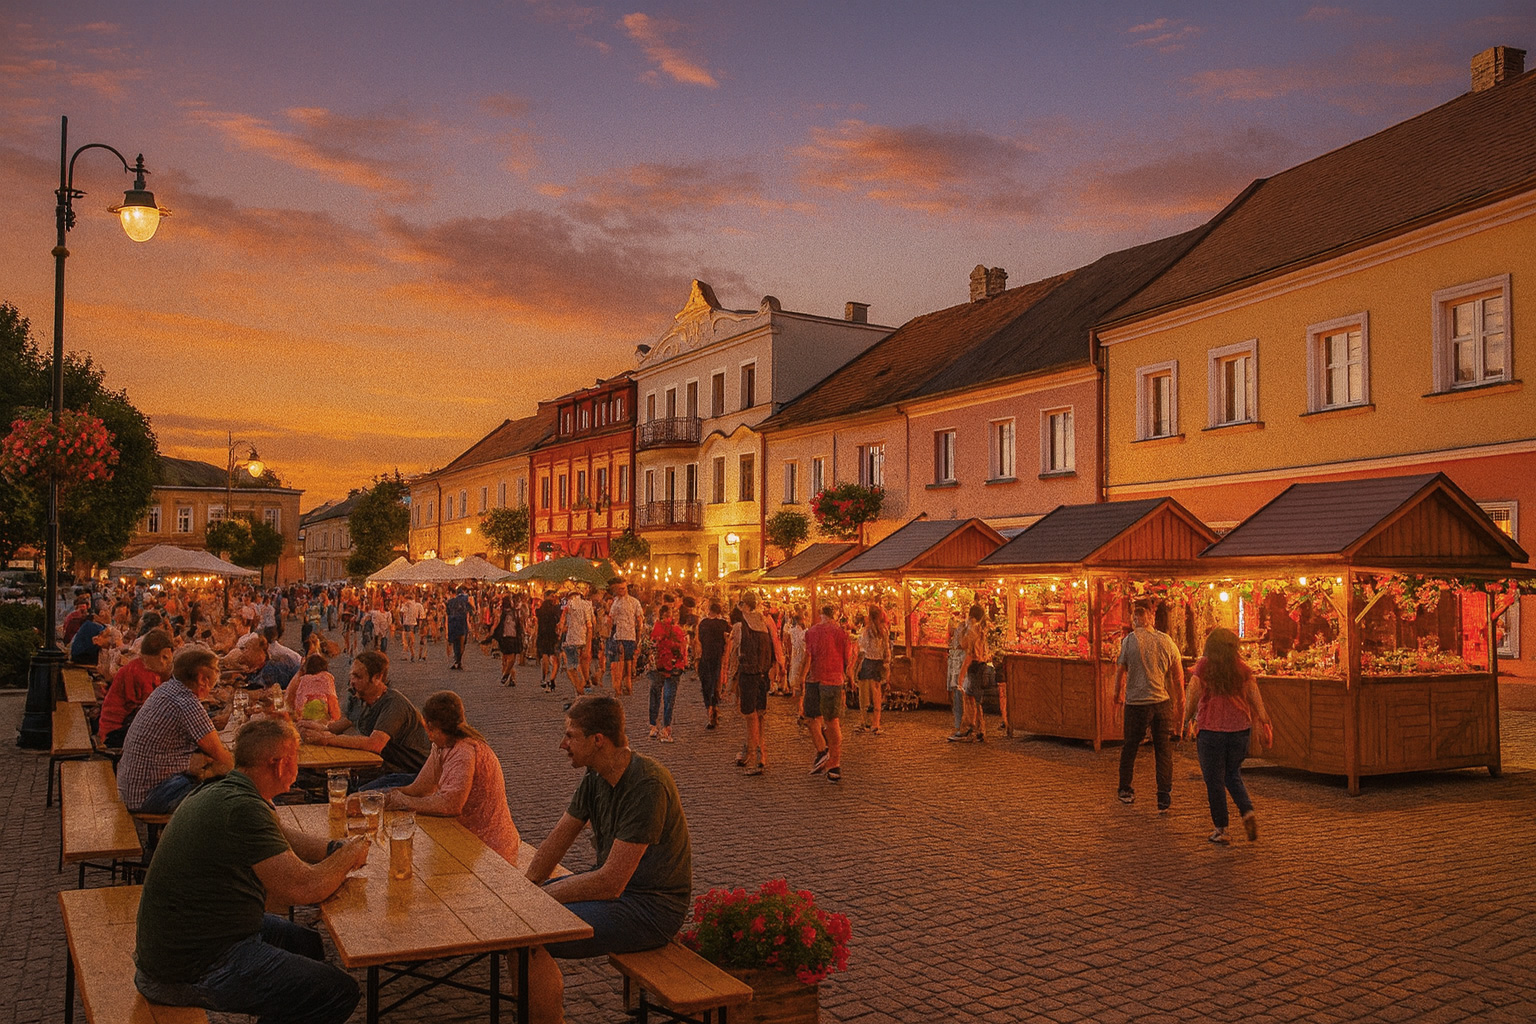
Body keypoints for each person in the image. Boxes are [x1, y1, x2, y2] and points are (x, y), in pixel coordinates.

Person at [133, 717, 370, 1024]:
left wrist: (332, 849)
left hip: (187, 942)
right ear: (280, 764)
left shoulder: (227, 789)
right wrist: (349, 855)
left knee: (307, 944)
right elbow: (305, 889)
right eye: (296, 758)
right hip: (192, 967)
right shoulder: (242, 808)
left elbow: (280, 834)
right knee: (337, 991)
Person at [524, 696, 692, 1018]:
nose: (563, 744)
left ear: (598, 740)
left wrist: (544, 896)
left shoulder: (647, 784)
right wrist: (527, 886)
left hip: (651, 908)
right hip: (619, 895)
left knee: (532, 938)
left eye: (571, 735)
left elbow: (611, 882)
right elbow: (558, 839)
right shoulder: (596, 776)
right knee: (521, 927)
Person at [374, 691, 519, 861]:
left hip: (488, 848)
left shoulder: (464, 751)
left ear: (433, 725)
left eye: (430, 730)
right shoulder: (442, 746)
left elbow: (450, 805)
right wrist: (380, 797)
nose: (428, 737)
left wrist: (403, 802)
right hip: (465, 838)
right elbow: (420, 788)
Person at [117, 645, 234, 813]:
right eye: (216, 670)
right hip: (148, 796)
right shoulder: (187, 703)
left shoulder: (167, 689)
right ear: (202, 678)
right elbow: (221, 756)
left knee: (209, 769)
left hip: (131, 787)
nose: (217, 676)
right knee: (227, 791)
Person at [1183, 627, 1272, 844]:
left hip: (1211, 731)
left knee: (1214, 779)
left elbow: (1193, 693)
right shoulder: (1242, 668)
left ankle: (1221, 829)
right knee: (1232, 773)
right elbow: (1254, 695)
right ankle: (1247, 810)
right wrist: (1264, 720)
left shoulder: (1204, 666)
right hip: (1239, 730)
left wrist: (1186, 720)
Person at [299, 650, 430, 788]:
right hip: (386, 766)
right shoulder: (362, 699)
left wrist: (325, 739)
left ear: (377, 677)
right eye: (352, 675)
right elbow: (336, 727)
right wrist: (310, 727)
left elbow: (375, 743)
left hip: (413, 773)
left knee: (355, 791)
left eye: (358, 676)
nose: (352, 681)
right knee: (332, 780)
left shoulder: (393, 703)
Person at [1114, 598, 1186, 811]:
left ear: (1138, 617)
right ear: (1151, 617)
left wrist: (1117, 694)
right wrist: (1179, 704)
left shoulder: (1129, 641)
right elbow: (1178, 677)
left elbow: (1120, 671)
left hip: (1136, 702)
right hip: (1161, 702)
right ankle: (1163, 794)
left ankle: (1125, 788)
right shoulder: (1167, 642)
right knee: (1163, 750)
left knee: (1130, 747)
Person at [726, 591, 782, 775]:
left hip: (749, 674)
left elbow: (734, 655)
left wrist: (730, 681)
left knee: (749, 715)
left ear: (744, 606)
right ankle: (761, 753)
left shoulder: (740, 627)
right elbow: (776, 647)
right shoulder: (767, 623)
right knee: (760, 714)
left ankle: (753, 753)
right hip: (763, 674)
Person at [798, 604, 853, 783]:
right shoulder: (841, 634)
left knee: (811, 717)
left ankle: (823, 751)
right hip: (834, 679)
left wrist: (801, 677)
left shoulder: (812, 632)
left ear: (820, 615)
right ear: (835, 616)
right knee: (832, 721)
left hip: (815, 678)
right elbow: (847, 659)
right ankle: (833, 763)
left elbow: (809, 656)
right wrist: (849, 677)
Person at [97, 628, 174, 747]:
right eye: (164, 657)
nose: (166, 663)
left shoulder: (143, 668)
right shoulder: (139, 673)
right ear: (153, 656)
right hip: (114, 731)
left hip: (120, 725)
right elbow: (150, 710)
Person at [647, 604, 687, 742]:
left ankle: (653, 725)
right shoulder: (677, 629)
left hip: (659, 666)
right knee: (669, 697)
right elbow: (682, 647)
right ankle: (666, 727)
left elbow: (651, 645)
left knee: (656, 694)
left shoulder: (656, 628)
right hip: (674, 665)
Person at [953, 604, 991, 743]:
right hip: (982, 666)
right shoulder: (981, 630)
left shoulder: (972, 631)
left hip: (974, 666)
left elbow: (967, 650)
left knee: (970, 698)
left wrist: (961, 675)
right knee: (976, 699)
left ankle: (971, 728)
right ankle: (981, 729)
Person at [854, 603, 890, 734]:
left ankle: (865, 721)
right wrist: (886, 663)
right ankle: (876, 722)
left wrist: (856, 665)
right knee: (876, 693)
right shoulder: (884, 631)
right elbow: (887, 649)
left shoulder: (866, 632)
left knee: (864, 694)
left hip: (868, 662)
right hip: (878, 663)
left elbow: (862, 650)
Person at [696, 600, 729, 730]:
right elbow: (729, 637)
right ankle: (715, 708)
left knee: (706, 684)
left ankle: (709, 709)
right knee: (716, 683)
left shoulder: (703, 624)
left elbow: (698, 641)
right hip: (718, 657)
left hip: (705, 656)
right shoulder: (723, 624)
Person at [607, 579, 645, 696]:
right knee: (617, 662)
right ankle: (618, 687)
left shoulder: (634, 602)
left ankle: (627, 685)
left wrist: (639, 635)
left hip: (630, 635)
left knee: (628, 663)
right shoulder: (615, 602)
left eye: (623, 588)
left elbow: (639, 619)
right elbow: (611, 618)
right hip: (618, 635)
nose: (621, 591)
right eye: (619, 589)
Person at [286, 653, 341, 724]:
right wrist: (336, 719)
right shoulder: (326, 678)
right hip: (322, 718)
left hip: (305, 718)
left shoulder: (304, 679)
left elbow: (299, 701)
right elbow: (332, 699)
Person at [560, 589, 594, 695]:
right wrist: (589, 643)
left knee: (571, 667)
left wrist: (561, 628)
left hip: (572, 639)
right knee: (582, 663)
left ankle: (579, 689)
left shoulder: (569, 606)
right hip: (583, 638)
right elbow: (591, 625)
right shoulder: (587, 605)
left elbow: (562, 623)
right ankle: (586, 681)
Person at [491, 594, 524, 686]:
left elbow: (519, 623)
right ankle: (510, 677)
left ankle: (508, 675)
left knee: (510, 659)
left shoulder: (513, 612)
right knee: (507, 659)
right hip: (507, 637)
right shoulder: (504, 613)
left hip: (511, 637)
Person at [535, 591, 563, 691]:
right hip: (552, 635)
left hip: (542, 635)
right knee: (555, 659)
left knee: (545, 656)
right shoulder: (554, 610)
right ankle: (551, 680)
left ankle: (544, 678)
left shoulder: (540, 610)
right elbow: (558, 622)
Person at [445, 585, 472, 669]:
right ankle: (459, 660)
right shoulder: (465, 600)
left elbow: (447, 614)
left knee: (455, 643)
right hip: (462, 623)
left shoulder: (450, 602)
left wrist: (446, 628)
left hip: (453, 624)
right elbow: (469, 612)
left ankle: (456, 659)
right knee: (462, 643)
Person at [399, 591, 423, 661]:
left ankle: (410, 653)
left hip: (407, 623)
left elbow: (402, 612)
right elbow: (421, 615)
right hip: (414, 623)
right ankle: (413, 653)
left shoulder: (406, 604)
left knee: (406, 640)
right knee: (411, 640)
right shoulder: (418, 605)